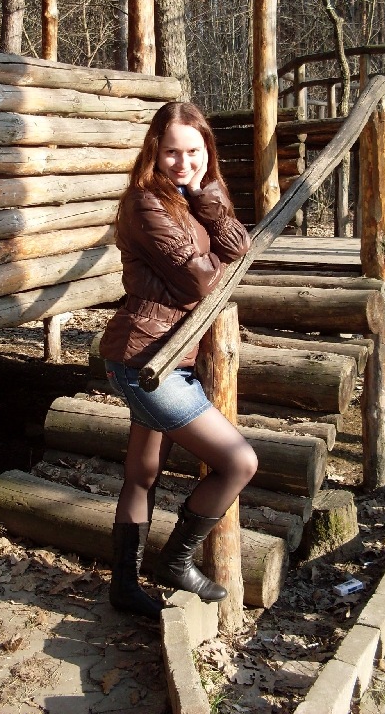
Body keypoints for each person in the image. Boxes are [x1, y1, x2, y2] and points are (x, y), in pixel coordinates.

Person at [99, 101, 258, 621]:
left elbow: (240, 246)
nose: (183, 162)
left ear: (206, 151)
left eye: (194, 151)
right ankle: (175, 561)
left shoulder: (196, 195)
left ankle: (124, 587)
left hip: (171, 357)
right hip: (143, 360)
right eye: (172, 152)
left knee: (142, 473)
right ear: (154, 151)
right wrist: (212, 262)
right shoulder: (144, 203)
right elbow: (201, 282)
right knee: (239, 462)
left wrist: (208, 196)